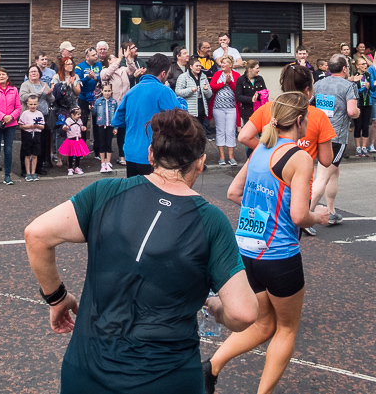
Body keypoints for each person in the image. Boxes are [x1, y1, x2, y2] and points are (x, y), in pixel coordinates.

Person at [24, 108, 257, 394]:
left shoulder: (104, 193)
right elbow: (244, 314)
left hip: (86, 371)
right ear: (200, 163)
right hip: (167, 378)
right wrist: (220, 310)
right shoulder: (210, 221)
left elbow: (36, 235)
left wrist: (57, 297)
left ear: (150, 155)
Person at [206, 92, 331, 394]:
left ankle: (209, 369)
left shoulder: (261, 148)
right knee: (286, 328)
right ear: (300, 120)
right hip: (279, 255)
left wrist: (261, 210)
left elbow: (234, 193)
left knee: (263, 325)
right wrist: (319, 216)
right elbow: (299, 215)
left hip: (246, 252)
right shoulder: (299, 157)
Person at [238, 65, 336, 237]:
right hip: (295, 189)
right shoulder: (316, 116)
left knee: (259, 241)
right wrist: (317, 217)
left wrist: (267, 148)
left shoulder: (268, 108)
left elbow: (244, 137)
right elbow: (327, 160)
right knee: (286, 238)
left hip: (263, 186)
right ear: (307, 90)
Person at [113, 53, 187, 177]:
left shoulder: (131, 91)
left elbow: (117, 120)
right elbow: (181, 115)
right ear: (163, 73)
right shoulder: (164, 91)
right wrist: (181, 100)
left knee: (134, 192)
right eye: (168, 73)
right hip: (153, 154)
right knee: (153, 194)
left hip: (131, 153)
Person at [310, 54, 359, 225]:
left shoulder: (319, 83)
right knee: (323, 177)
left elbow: (309, 104)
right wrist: (358, 112)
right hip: (336, 137)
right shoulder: (349, 86)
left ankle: (330, 211)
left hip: (318, 133)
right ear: (345, 69)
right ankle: (305, 215)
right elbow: (352, 111)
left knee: (333, 173)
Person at [0, 68, 21, 186]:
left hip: (10, 124)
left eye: (3, 74)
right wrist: (3, 117)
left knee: (8, 150)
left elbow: (18, 107)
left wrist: (10, 117)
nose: (1, 76)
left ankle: (7, 176)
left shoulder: (14, 90)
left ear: (7, 77)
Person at [20, 64, 54, 173]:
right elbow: (23, 97)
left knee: (41, 143)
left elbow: (51, 99)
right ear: (28, 74)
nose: (34, 73)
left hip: (43, 116)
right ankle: (25, 169)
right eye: (31, 72)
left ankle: (39, 167)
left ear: (40, 73)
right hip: (29, 117)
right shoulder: (25, 85)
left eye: (35, 71)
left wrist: (49, 94)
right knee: (27, 144)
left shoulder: (44, 84)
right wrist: (38, 93)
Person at [209, 55, 241, 166]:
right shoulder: (217, 74)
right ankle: (222, 157)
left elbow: (238, 90)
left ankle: (231, 157)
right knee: (220, 131)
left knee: (231, 131)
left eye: (225, 63)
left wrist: (229, 82)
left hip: (232, 108)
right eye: (221, 63)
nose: (222, 65)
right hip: (218, 108)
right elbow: (212, 87)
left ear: (231, 65)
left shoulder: (236, 75)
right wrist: (223, 83)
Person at [74, 46, 102, 146]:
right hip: (84, 99)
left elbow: (103, 78)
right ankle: (82, 149)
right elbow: (78, 82)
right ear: (87, 57)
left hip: (97, 99)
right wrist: (87, 78)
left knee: (97, 124)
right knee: (83, 124)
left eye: (96, 54)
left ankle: (97, 151)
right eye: (93, 55)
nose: (96, 56)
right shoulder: (79, 67)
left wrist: (95, 77)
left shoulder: (99, 65)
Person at [176, 59, 213, 132]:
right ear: (191, 66)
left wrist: (206, 90)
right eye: (197, 66)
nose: (199, 68)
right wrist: (191, 90)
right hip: (190, 110)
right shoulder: (183, 77)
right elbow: (178, 92)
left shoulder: (203, 76)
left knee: (200, 131)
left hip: (201, 108)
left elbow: (209, 95)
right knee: (190, 131)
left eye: (200, 66)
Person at [234, 60, 267, 134]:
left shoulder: (260, 79)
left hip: (259, 111)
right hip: (247, 111)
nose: (258, 70)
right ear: (250, 69)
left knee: (262, 133)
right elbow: (238, 96)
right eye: (257, 68)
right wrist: (251, 99)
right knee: (248, 134)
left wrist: (259, 95)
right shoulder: (241, 80)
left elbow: (265, 92)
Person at [19, 94, 45, 182]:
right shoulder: (25, 113)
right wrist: (29, 126)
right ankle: (28, 172)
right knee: (27, 155)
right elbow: (21, 126)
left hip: (37, 135)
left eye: (34, 104)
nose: (33, 106)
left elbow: (42, 127)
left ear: (37, 104)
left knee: (35, 154)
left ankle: (33, 172)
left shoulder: (40, 113)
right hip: (27, 135)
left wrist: (37, 126)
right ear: (27, 104)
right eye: (31, 104)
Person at [93, 83, 118, 172]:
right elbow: (94, 113)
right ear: (102, 91)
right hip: (101, 125)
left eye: (108, 91)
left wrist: (116, 128)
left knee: (109, 144)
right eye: (105, 91)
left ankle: (108, 162)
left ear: (111, 91)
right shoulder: (98, 101)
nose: (107, 93)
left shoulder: (114, 102)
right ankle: (102, 163)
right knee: (102, 144)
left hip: (110, 126)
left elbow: (116, 115)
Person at [60, 106, 89, 175]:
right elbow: (64, 127)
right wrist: (65, 127)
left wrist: (83, 128)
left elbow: (81, 126)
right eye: (78, 114)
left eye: (80, 114)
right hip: (71, 140)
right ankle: (70, 168)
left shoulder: (79, 120)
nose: (80, 116)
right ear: (72, 115)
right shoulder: (68, 120)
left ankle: (77, 167)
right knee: (70, 154)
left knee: (78, 154)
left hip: (78, 140)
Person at [352, 56, 372, 157]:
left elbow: (371, 88)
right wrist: (364, 89)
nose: (365, 66)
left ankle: (364, 147)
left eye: (366, 64)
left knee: (365, 125)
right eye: (363, 64)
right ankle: (358, 147)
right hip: (358, 104)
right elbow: (355, 92)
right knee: (358, 125)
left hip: (368, 103)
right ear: (357, 66)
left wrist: (373, 85)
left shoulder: (368, 75)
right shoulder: (354, 76)